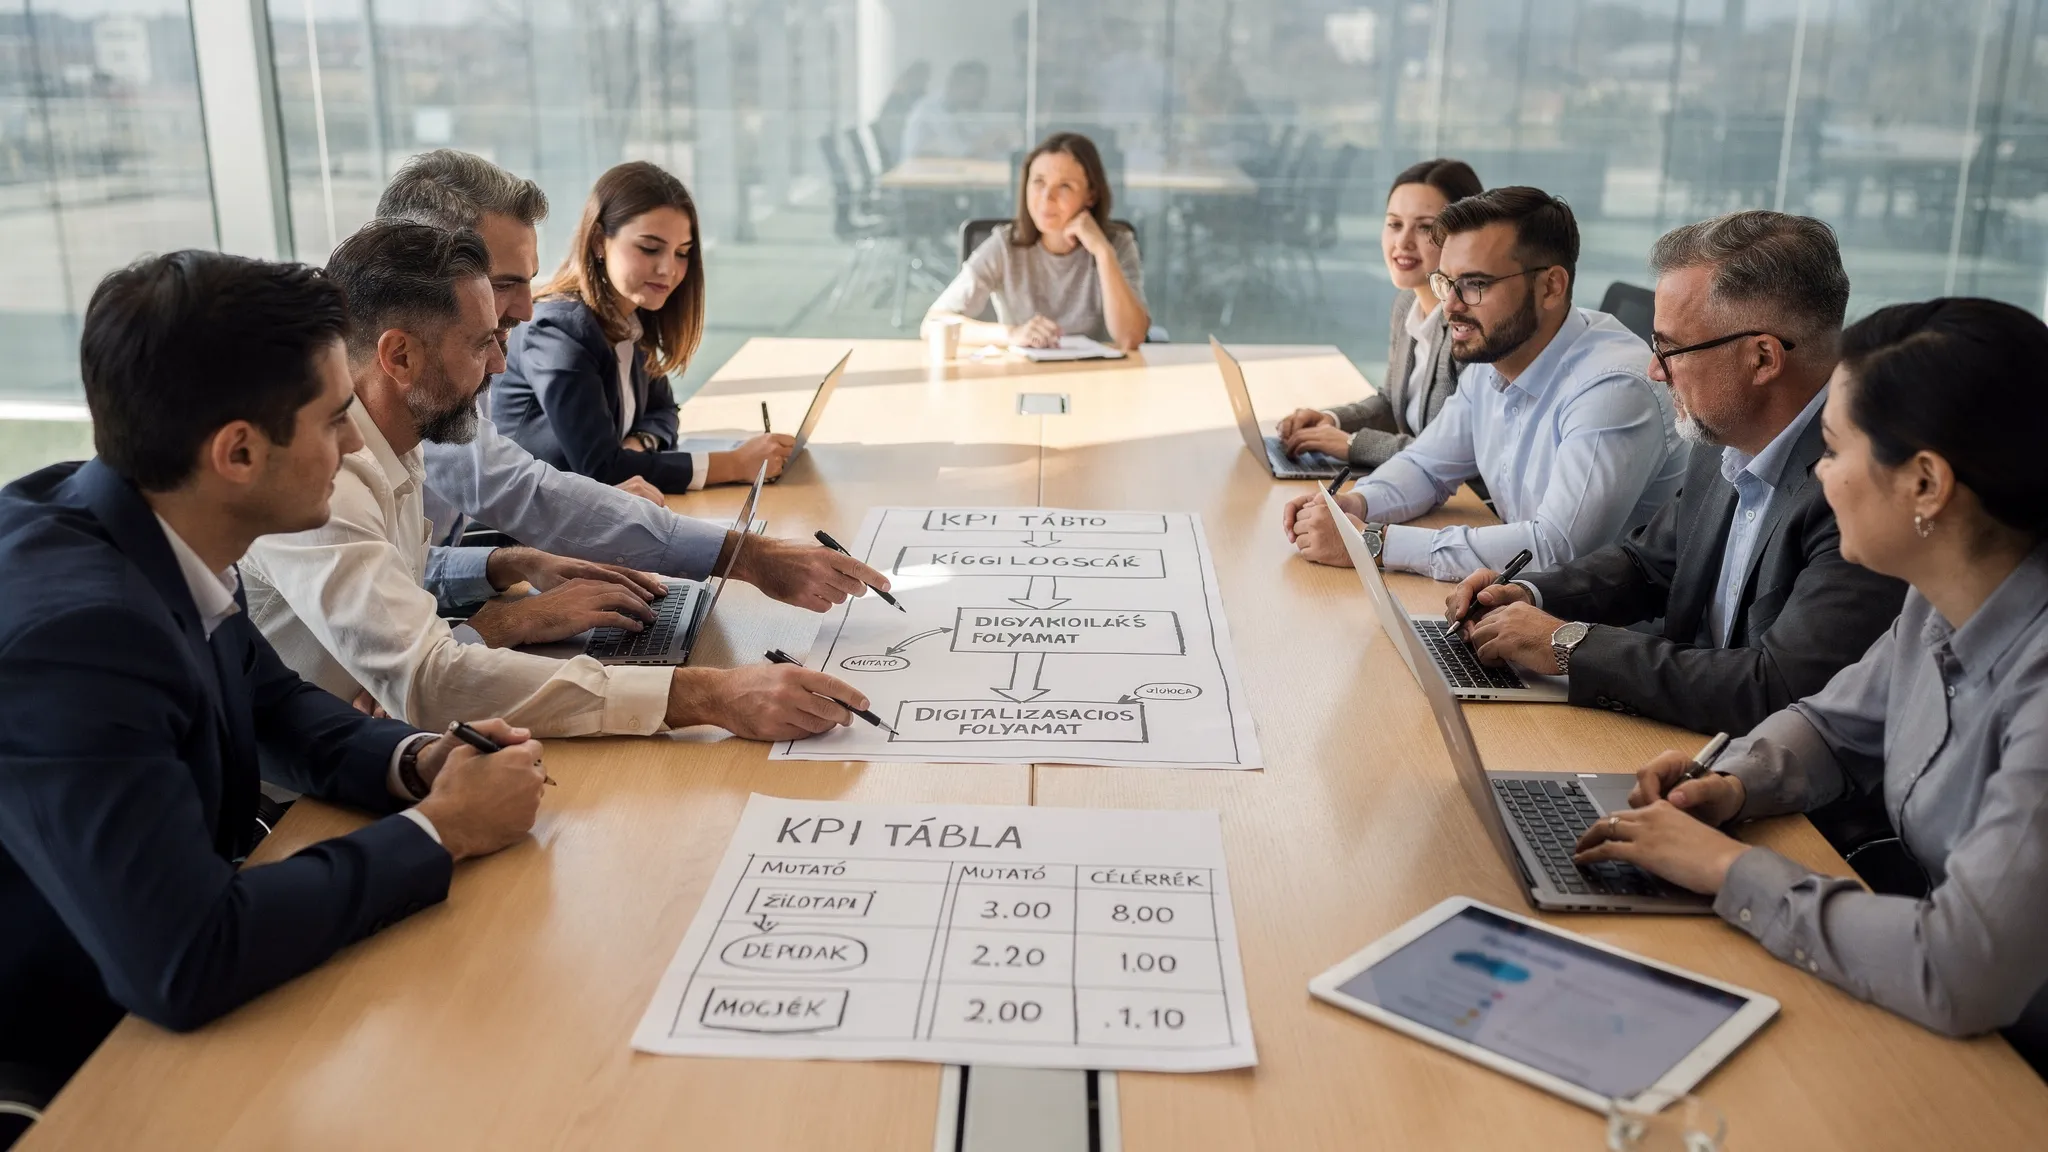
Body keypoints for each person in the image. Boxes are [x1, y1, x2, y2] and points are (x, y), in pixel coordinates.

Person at [0, 250, 546, 1116]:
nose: (356, 442)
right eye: (334, 419)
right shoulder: (78, 639)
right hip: (75, 1069)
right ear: (240, 452)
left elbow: (272, 699)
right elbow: (188, 953)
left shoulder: (145, 522)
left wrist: (420, 760)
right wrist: (441, 832)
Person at [1572, 298, 2048, 1070]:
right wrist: (1727, 785)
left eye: (1832, 450)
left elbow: (1961, 967)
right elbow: (1835, 726)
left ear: (1926, 483)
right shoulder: (1938, 598)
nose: (1818, 477)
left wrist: (1724, 869)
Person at [241, 219, 868, 743]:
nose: (500, 365)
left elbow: (396, 571)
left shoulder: (395, 440)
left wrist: (512, 563)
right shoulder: (322, 477)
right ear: (398, 355)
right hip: (319, 776)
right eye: (482, 343)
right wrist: (709, 694)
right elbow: (429, 682)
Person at [1443, 211, 1907, 737]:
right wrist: (1530, 596)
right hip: (1679, 737)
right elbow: (1649, 565)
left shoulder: (1856, 487)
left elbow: (1779, 688)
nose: (1654, 370)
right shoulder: (1723, 435)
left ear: (1761, 359)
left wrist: (1568, 644)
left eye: (1670, 348)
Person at [378, 150, 883, 617]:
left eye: (528, 280)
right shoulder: (374, 414)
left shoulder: (477, 358)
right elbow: (522, 490)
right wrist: (743, 555)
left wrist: (506, 566)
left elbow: (405, 572)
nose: (528, 309)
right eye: (504, 283)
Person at [1282, 186, 1682, 582]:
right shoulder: (1493, 356)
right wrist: (1355, 504)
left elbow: (1554, 550)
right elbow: (1426, 467)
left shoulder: (1612, 388)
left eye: (1475, 285)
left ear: (1550, 287)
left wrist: (1373, 542)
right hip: (1516, 605)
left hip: (1598, 631)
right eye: (1446, 282)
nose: (1450, 306)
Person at [492, 161, 790, 494]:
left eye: (682, 253)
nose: (668, 269)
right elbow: (602, 470)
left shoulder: (633, 315)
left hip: (592, 520)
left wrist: (639, 443)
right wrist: (735, 464)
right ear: (598, 243)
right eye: (650, 248)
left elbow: (663, 411)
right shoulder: (557, 331)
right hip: (524, 532)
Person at [1275, 158, 1484, 473]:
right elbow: (1391, 404)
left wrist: (1350, 444)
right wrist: (1331, 421)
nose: (1402, 243)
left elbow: (1458, 456)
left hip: (1463, 503)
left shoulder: (1473, 324)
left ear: (1465, 236)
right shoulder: (1406, 306)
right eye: (1394, 224)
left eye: (1426, 227)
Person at [922, 132, 1150, 352]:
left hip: (1098, 379)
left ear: (1090, 195)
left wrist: (1102, 252)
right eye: (1039, 182)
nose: (1046, 197)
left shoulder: (1117, 244)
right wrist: (1012, 334)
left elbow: (1130, 337)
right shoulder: (1005, 246)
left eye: (1065, 186)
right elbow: (932, 324)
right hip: (1022, 376)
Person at [901, 60, 1004, 160]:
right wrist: (978, 147)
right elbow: (951, 152)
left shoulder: (967, 109)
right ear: (958, 85)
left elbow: (983, 138)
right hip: (924, 172)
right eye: (979, 90)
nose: (982, 96)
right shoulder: (928, 111)